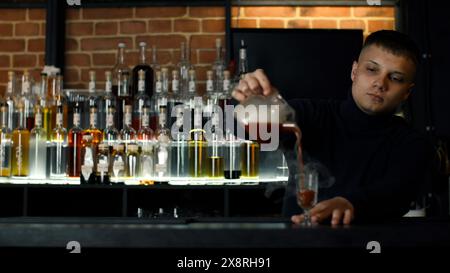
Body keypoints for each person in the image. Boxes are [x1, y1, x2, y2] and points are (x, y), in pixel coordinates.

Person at [232, 30, 434, 226]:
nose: (380, 83)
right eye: (372, 70)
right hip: (299, 240)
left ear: (407, 92)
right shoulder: (311, 114)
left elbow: (396, 191)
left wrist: (350, 203)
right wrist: (255, 106)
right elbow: (250, 131)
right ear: (354, 71)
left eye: (396, 78)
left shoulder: (413, 144)